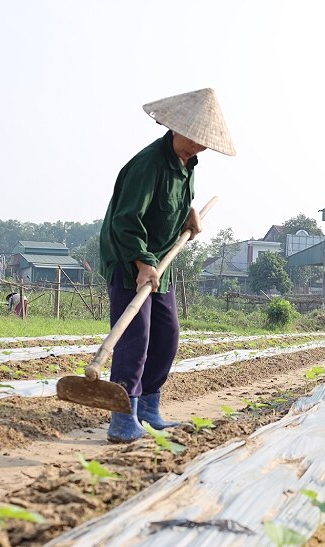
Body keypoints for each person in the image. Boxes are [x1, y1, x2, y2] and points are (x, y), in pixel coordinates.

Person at [98, 88, 235, 443]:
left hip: (162, 261)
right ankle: (122, 415)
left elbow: (176, 201)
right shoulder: (148, 165)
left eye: (204, 144)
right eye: (193, 140)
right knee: (135, 337)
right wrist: (142, 264)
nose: (197, 148)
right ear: (175, 128)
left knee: (167, 334)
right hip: (132, 258)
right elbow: (126, 221)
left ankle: (147, 407)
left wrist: (189, 215)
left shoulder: (187, 165)